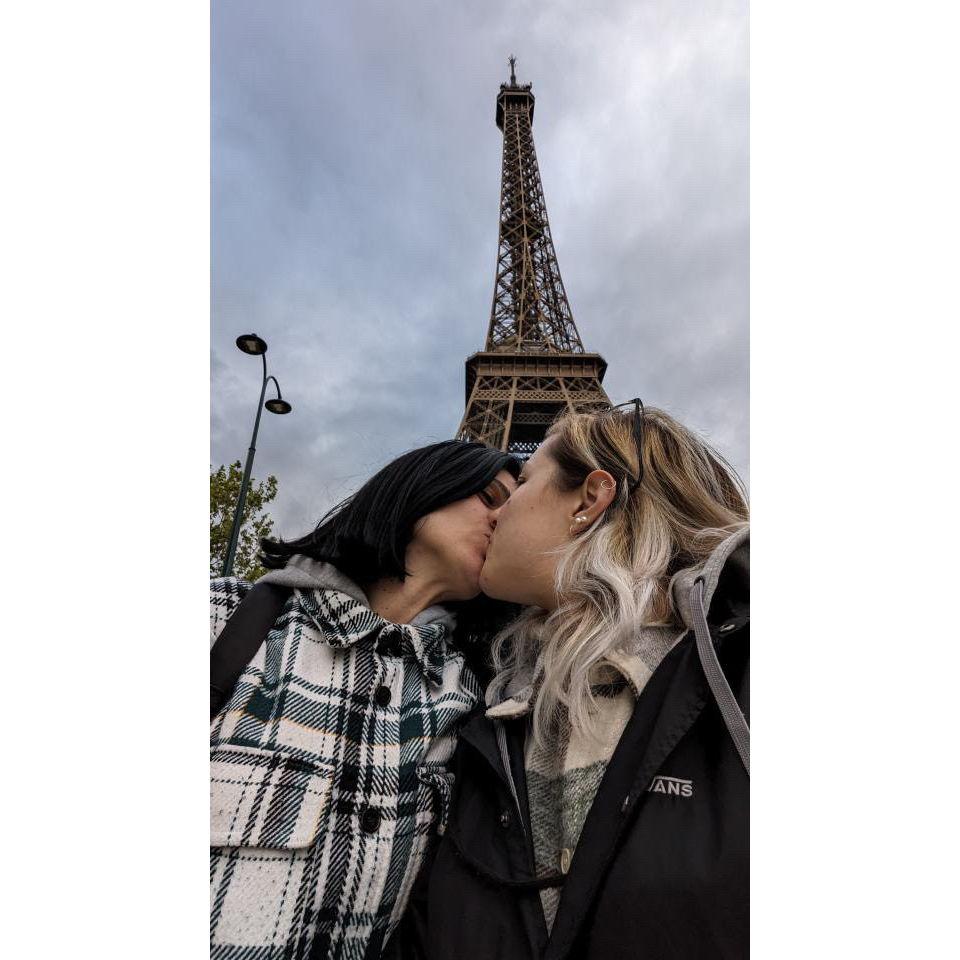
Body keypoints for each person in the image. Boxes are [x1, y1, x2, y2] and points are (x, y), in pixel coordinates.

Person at [399, 403, 749, 960]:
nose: (495, 513)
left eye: (520, 484)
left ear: (590, 498)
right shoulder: (481, 714)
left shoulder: (744, 678)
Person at [210, 439, 519, 960]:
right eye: (490, 496)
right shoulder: (221, 618)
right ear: (424, 483)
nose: (504, 520)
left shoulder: (475, 701)